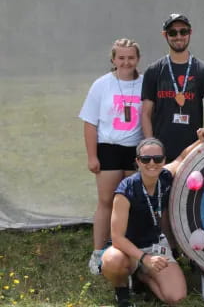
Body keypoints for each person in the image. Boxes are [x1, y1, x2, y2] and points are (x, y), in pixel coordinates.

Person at [100, 128, 204, 307]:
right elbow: (117, 238)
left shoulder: (165, 177)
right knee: (113, 261)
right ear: (137, 162)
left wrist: (201, 140)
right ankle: (122, 290)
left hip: (156, 246)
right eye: (146, 159)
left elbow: (181, 158)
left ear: (163, 160)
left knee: (176, 297)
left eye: (157, 159)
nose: (152, 163)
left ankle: (142, 277)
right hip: (128, 250)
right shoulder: (125, 190)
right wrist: (145, 259)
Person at [79, 38, 144, 275]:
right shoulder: (101, 85)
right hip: (108, 148)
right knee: (107, 201)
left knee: (134, 203)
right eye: (121, 58)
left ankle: (133, 249)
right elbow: (89, 123)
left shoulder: (144, 84)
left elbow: (149, 115)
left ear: (138, 59)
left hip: (135, 150)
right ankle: (98, 253)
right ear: (113, 60)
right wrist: (92, 156)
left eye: (131, 58)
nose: (126, 62)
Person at [141, 13, 204, 162]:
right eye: (172, 32)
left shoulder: (203, 71)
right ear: (165, 35)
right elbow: (146, 113)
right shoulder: (153, 70)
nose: (178, 36)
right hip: (160, 150)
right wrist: (150, 145)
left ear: (190, 33)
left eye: (183, 31)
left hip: (192, 149)